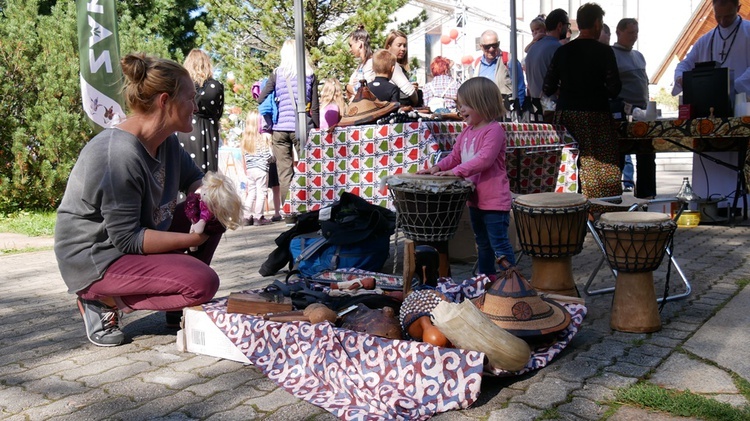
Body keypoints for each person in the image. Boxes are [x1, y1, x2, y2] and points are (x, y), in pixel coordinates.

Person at [55, 53, 227, 347]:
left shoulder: (167, 141)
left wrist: (217, 200)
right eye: (189, 98)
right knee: (203, 283)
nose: (196, 107)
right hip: (99, 257)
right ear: (165, 101)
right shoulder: (117, 155)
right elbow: (128, 240)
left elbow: (197, 184)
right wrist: (191, 240)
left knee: (215, 208)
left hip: (133, 241)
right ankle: (101, 298)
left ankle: (174, 304)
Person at [418, 77, 515, 279]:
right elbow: (454, 157)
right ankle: (487, 280)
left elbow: (484, 159)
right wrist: (436, 167)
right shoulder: (467, 131)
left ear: (482, 103)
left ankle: (512, 282)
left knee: (498, 244)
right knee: (482, 244)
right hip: (475, 200)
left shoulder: (494, 130)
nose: (460, 109)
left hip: (495, 200)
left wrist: (455, 172)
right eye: (458, 105)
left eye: (465, 105)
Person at [543, 3, 622, 199]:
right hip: (597, 117)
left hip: (567, 116)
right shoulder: (604, 52)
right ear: (597, 23)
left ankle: (569, 209)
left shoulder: (563, 51)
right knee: (601, 167)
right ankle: (601, 210)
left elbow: (547, 88)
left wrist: (568, 87)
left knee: (569, 165)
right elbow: (614, 89)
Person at [256, 39, 320, 209]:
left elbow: (261, 98)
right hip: (302, 129)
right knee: (308, 170)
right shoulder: (310, 74)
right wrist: (317, 127)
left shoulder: (277, 74)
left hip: (280, 129)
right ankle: (308, 209)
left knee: (285, 174)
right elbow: (314, 107)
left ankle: (289, 213)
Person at [613, 18, 657, 198]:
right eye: (631, 33)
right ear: (619, 32)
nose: (634, 37)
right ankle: (614, 195)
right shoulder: (612, 54)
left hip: (643, 112)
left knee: (647, 153)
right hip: (624, 112)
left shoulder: (639, 56)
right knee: (620, 156)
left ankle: (647, 194)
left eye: (636, 33)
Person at [672, 0, 750, 96]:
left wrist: (732, 88)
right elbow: (685, 63)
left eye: (728, 16)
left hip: (743, 102)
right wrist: (680, 77)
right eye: (718, 16)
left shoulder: (748, 31)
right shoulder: (705, 40)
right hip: (711, 101)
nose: (722, 21)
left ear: (738, 8)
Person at [176, 49, 224, 172]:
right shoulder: (216, 85)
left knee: (186, 168)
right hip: (209, 130)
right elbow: (219, 112)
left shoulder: (183, 85)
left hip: (187, 127)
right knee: (208, 174)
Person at [524, 9, 569, 121]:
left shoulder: (533, 48)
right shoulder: (557, 48)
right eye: (567, 25)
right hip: (551, 109)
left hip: (535, 108)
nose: (567, 29)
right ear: (560, 26)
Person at [475, 29, 526, 116]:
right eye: (487, 47)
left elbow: (520, 87)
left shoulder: (509, 60)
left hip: (504, 113)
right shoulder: (477, 64)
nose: (491, 49)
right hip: (482, 113)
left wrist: (517, 111)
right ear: (481, 46)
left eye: (494, 45)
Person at [240, 110, 274, 226]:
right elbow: (267, 155)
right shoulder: (262, 137)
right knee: (261, 193)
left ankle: (246, 215)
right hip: (261, 169)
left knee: (251, 193)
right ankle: (258, 216)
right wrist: (272, 159)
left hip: (250, 169)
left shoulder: (245, 138)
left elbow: (244, 156)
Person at [384, 29, 419, 106]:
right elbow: (409, 91)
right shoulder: (391, 64)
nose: (403, 49)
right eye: (399, 45)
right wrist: (415, 99)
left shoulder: (397, 65)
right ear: (388, 46)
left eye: (404, 46)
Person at [346, 25, 376, 99]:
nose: (350, 50)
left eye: (351, 45)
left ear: (359, 44)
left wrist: (348, 87)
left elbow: (365, 91)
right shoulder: (361, 65)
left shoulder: (372, 64)